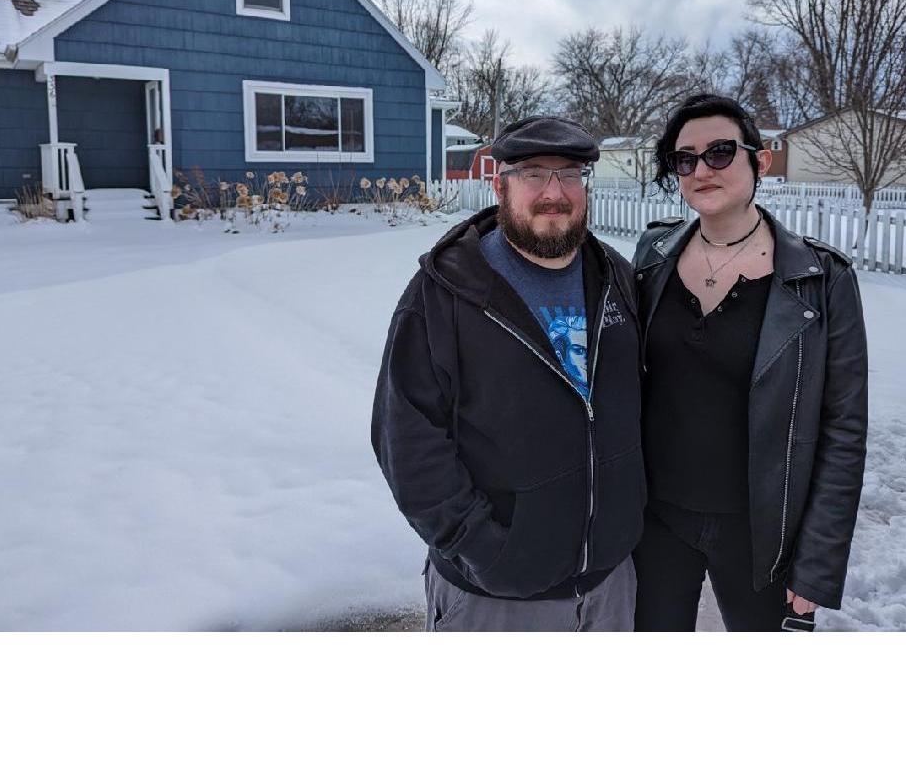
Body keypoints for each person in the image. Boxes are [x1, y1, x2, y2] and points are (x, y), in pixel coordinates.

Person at [372, 115, 646, 631]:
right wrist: (485, 549)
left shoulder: (615, 277)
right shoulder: (444, 295)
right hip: (495, 598)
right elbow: (405, 439)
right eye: (533, 174)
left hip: (610, 585)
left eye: (569, 175)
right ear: (501, 184)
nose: (554, 193)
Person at [632, 94, 868, 631]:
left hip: (761, 532)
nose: (700, 169)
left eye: (719, 152)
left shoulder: (821, 279)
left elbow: (844, 428)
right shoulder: (652, 259)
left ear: (758, 162)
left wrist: (816, 568)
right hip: (656, 522)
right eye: (684, 158)